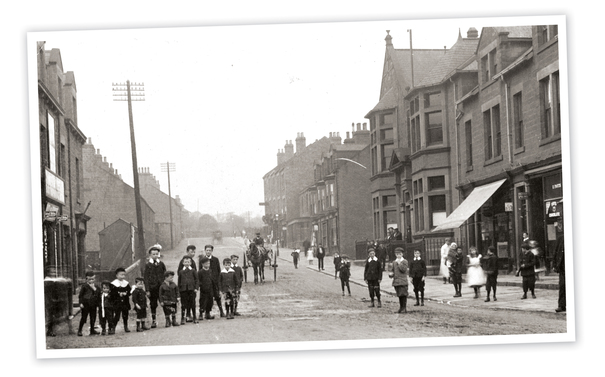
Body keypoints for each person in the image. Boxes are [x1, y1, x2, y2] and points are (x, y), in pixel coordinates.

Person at [199, 244, 225, 318]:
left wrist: (217, 280)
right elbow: (200, 270)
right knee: (205, 298)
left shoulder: (215, 259)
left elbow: (218, 270)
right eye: (207, 250)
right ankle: (205, 313)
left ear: (212, 251)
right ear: (205, 251)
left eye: (210, 250)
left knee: (217, 296)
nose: (208, 252)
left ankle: (221, 311)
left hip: (214, 282)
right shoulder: (202, 260)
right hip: (205, 282)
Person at [144, 245, 166, 328]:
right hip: (152, 288)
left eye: (157, 254)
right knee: (153, 304)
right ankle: (154, 320)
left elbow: (165, 274)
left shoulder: (161, 264)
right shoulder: (148, 265)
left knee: (164, 302)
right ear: (150, 255)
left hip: (161, 288)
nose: (155, 255)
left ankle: (168, 319)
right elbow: (145, 278)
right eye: (153, 254)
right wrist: (147, 290)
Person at [77, 271, 100, 336]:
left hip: (93, 304)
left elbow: (98, 293)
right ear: (86, 279)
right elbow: (80, 295)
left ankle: (92, 330)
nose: (91, 280)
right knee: (84, 317)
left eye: (93, 279)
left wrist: (94, 288)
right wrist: (81, 303)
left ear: (94, 279)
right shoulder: (84, 286)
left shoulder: (96, 286)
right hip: (85, 304)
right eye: (89, 279)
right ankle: (79, 330)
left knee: (93, 317)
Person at [109, 267, 132, 334]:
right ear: (117, 275)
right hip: (117, 302)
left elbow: (129, 291)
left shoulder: (126, 283)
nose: (123, 276)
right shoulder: (113, 284)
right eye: (121, 275)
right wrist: (118, 294)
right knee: (117, 315)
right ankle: (113, 327)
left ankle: (126, 326)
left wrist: (126, 293)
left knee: (125, 315)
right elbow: (112, 293)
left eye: (124, 275)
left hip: (125, 301)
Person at [177, 256, 198, 324]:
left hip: (191, 289)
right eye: (185, 262)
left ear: (191, 263)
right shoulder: (181, 272)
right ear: (183, 263)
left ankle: (194, 317)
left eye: (188, 262)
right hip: (183, 290)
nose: (187, 263)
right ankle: (183, 318)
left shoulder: (193, 270)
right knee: (183, 304)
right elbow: (179, 281)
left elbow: (196, 280)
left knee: (192, 303)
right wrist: (179, 291)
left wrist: (196, 288)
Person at [389, 247, 409, 313]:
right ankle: (401, 307)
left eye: (400, 254)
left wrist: (399, 263)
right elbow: (392, 270)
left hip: (403, 281)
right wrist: (391, 274)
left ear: (402, 254)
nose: (398, 255)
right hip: (396, 281)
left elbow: (403, 269)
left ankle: (404, 307)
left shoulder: (405, 261)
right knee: (399, 295)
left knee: (403, 294)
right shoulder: (394, 262)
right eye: (397, 254)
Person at [553, 218, 566, 312]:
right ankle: (562, 305)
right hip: (562, 267)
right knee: (562, 286)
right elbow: (556, 252)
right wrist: (555, 264)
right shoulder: (561, 238)